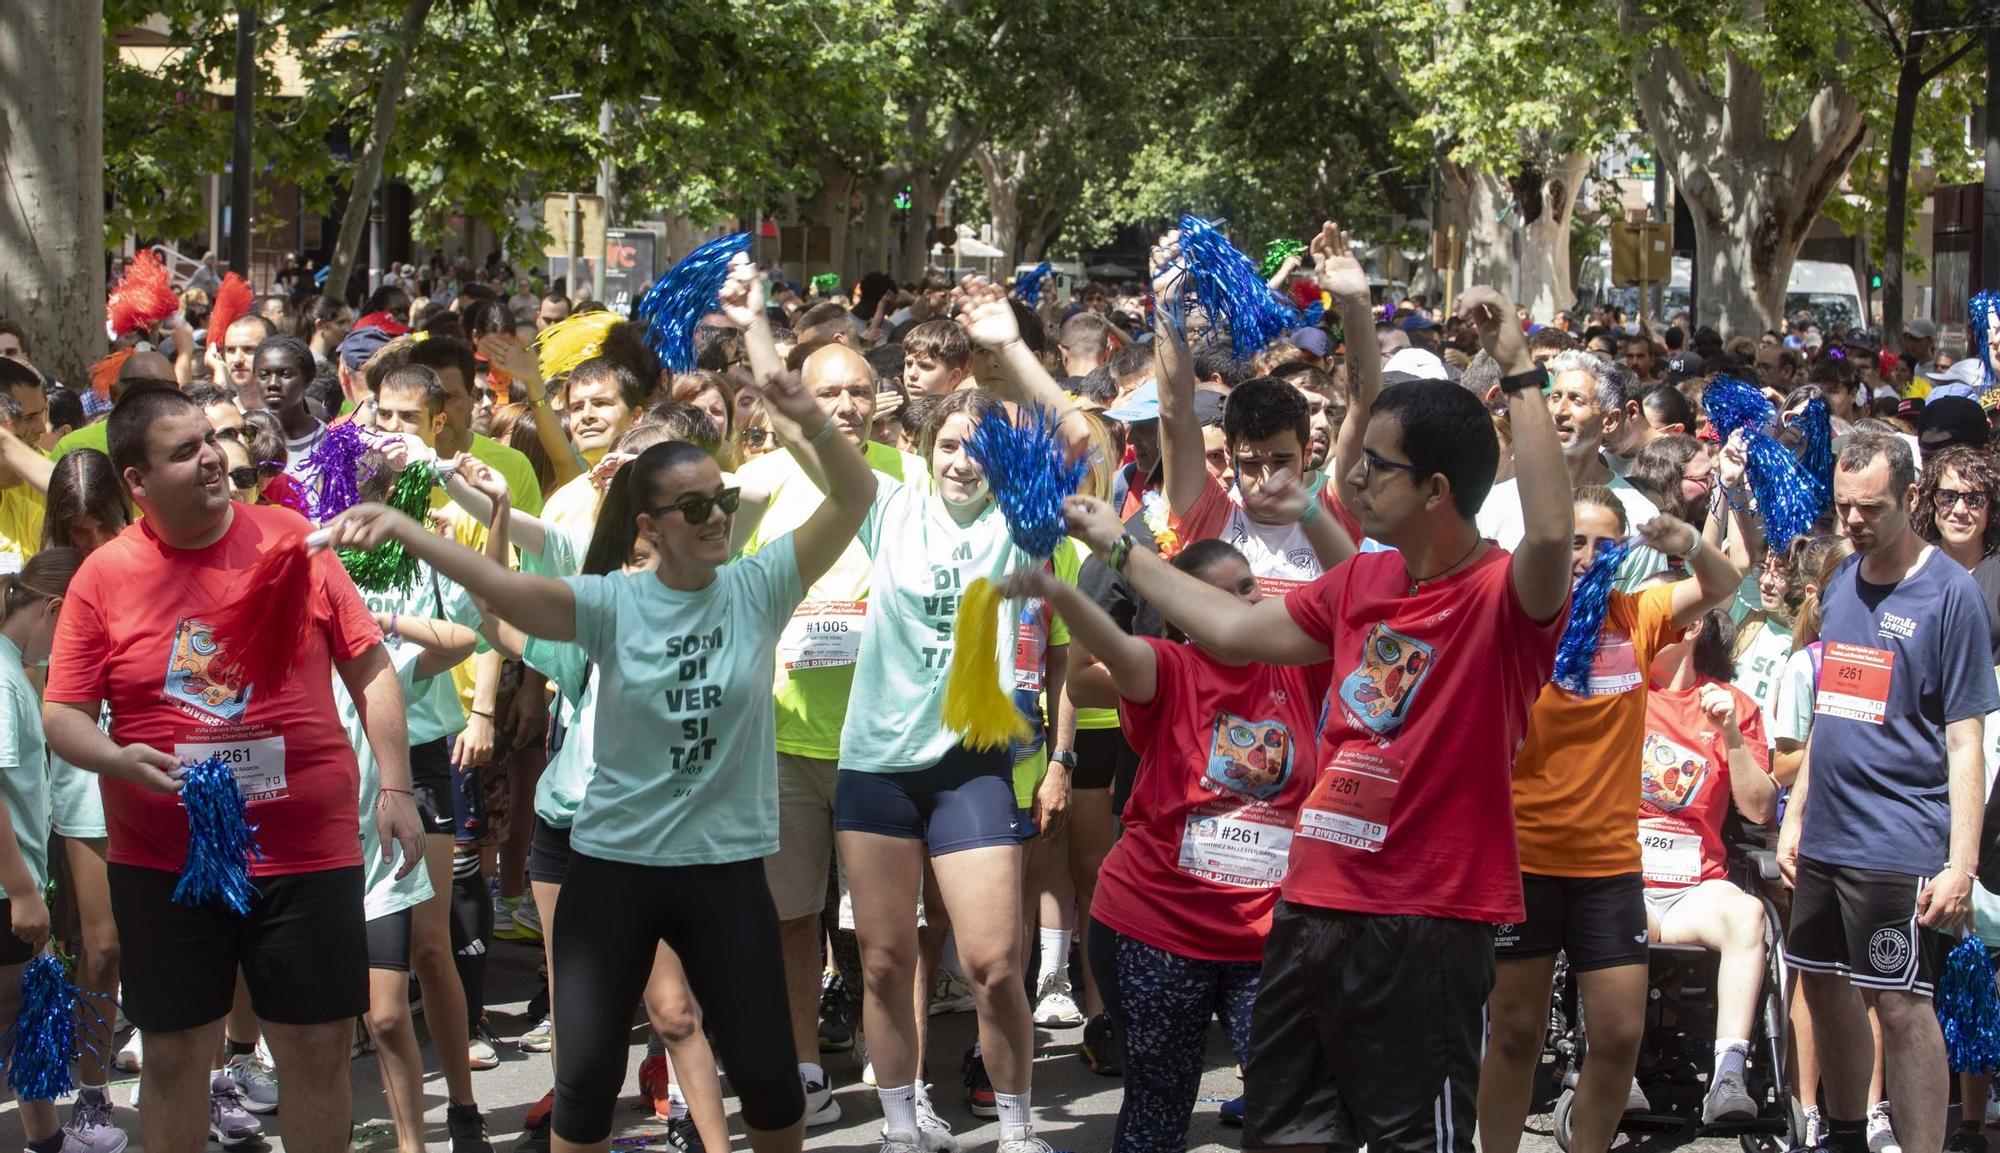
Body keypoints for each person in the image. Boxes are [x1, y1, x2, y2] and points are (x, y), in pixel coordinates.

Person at [324, 252, 875, 1153]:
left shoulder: (759, 585)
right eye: (690, 506)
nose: (714, 516)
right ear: (649, 525)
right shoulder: (613, 601)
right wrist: (411, 529)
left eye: (722, 498)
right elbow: (510, 599)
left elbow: (850, 489)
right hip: (611, 869)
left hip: (725, 871)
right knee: (581, 1087)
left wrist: (780, 376)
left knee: (773, 1086)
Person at [1073, 230, 1574, 1153]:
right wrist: (1118, 546)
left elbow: (1549, 532)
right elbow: (1226, 627)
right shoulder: (1361, 583)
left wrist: (1520, 373)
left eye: (1374, 466)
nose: (1351, 478)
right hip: (1311, 906)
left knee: (1408, 1138)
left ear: (1432, 489)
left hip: (1424, 921)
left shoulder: (1504, 597)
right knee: (1289, 1133)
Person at [42, 387, 426, 1153]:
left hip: (306, 851)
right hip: (166, 862)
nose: (213, 455)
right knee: (178, 1053)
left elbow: (369, 662)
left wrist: (396, 783)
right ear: (136, 482)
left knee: (315, 1051)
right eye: (184, 450)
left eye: (210, 438)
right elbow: (62, 715)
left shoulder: (291, 540)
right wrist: (116, 757)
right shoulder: (103, 576)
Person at [831, 280, 1091, 1153]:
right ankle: (903, 1127)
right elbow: (809, 440)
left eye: (978, 446)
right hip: (874, 768)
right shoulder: (886, 507)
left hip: (973, 766)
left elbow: (1080, 436)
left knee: (992, 966)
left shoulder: (1022, 521)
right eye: (947, 443)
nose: (961, 461)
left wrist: (1008, 343)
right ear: (923, 445)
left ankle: (1016, 1128)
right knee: (881, 961)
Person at [1008, 538, 1331, 1153]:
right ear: (1187, 612)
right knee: (1159, 1112)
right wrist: (1061, 591)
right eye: (1227, 593)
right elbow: (1107, 654)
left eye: (1250, 586)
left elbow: (1360, 603)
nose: (1251, 600)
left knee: (1296, 1110)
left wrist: (1312, 513)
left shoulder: (1296, 665)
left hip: (1266, 938)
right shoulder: (1168, 668)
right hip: (1156, 930)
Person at [1480, 484, 1738, 1153]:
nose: (1587, 555)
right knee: (1513, 1033)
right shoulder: (1518, 617)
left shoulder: (1639, 612)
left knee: (1621, 1035)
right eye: (1574, 540)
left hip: (1609, 866)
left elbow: (1723, 582)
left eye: (1603, 542)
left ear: (1621, 551)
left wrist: (1687, 544)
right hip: (1523, 859)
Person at [1778, 433, 1998, 1153]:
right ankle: (1843, 1133)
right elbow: (1836, 713)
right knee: (1821, 986)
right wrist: (1797, 817)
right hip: (1826, 838)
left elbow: (1966, 738)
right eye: (1843, 505)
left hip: (1897, 840)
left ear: (1910, 499)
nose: (1853, 521)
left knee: (1902, 1006)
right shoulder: (1842, 580)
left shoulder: (1951, 595)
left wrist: (1959, 862)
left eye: (1869, 507)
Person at [1636, 583, 1777, 1122]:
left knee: (1747, 914)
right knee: (1612, 910)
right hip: (1628, 876)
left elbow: (1761, 809)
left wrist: (1732, 740)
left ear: (1689, 627)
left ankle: (1728, 1076)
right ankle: (1613, 1067)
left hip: (1698, 882)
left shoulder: (1734, 705)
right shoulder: (1623, 695)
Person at [346, 610, 480, 1153]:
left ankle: (463, 1110)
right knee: (365, 1008)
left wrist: (384, 619)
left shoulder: (371, 654)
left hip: (407, 774)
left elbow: (463, 640)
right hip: (329, 840)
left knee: (428, 948)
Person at [0, 549, 119, 1153]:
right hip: (5, 886)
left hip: (16, 877)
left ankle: (45, 1138)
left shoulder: (15, 672)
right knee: (8, 1018)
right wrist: (23, 890)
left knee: (24, 1017)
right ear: (52, 610)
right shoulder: (2, 679)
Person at [39, 450, 133, 1143]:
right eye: (74, 530)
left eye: (98, 526)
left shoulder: (150, 558)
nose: (88, 544)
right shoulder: (45, 586)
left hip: (159, 770)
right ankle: (93, 1091)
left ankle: (217, 1073)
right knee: (98, 946)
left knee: (193, 935)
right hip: (78, 784)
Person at [1476, 349, 1664, 589]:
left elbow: (1643, 618)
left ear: (1610, 421)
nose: (1559, 412)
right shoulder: (1495, 503)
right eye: (1555, 397)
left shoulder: (1640, 515)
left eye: (1576, 400)